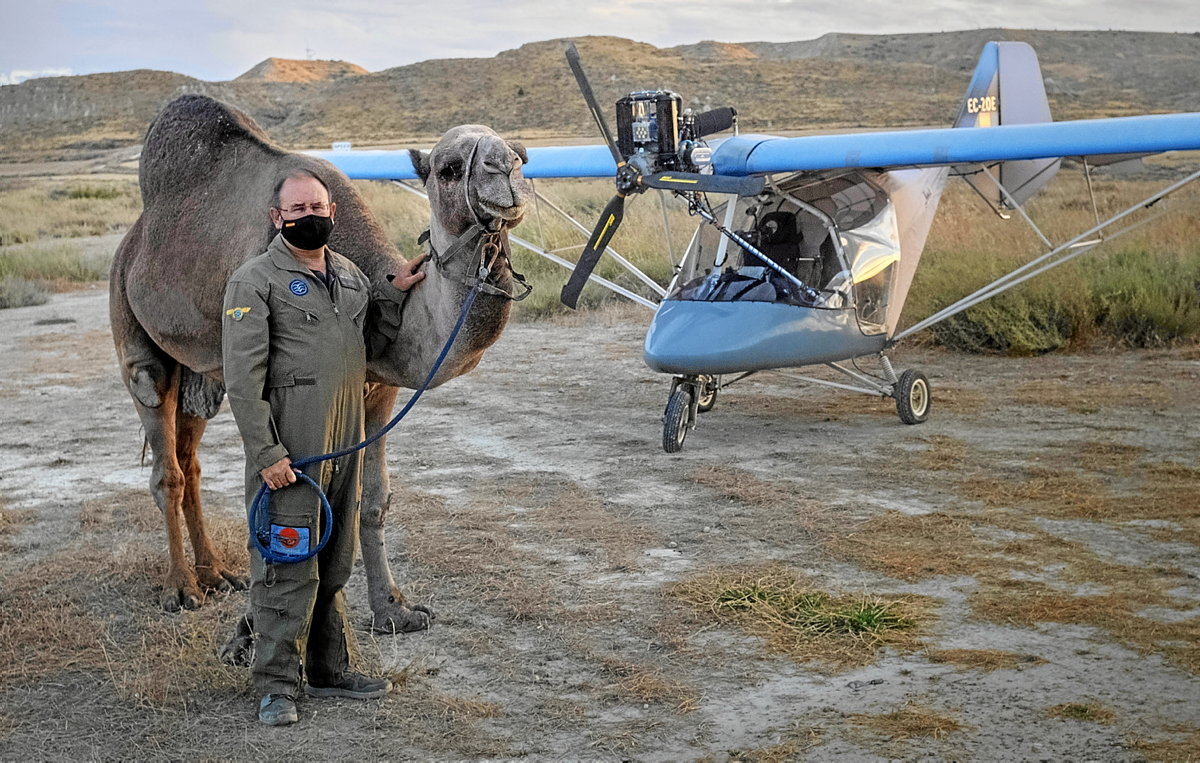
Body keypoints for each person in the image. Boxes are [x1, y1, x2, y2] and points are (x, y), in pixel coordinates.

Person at [222, 169, 424, 726]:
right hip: (293, 448)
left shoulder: (351, 275)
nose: (309, 216)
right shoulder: (254, 281)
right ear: (277, 219)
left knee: (335, 560)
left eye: (318, 205)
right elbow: (242, 380)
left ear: (332, 212)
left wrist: (395, 294)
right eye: (297, 208)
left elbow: (367, 344)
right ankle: (275, 688)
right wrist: (268, 456)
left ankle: (329, 670)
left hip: (346, 440)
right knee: (287, 566)